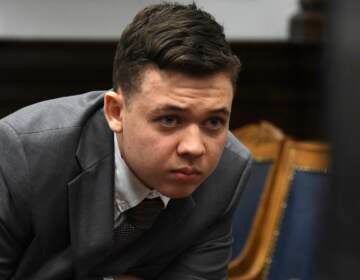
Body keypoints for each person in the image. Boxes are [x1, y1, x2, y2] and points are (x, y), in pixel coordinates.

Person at [0, 2, 251, 280]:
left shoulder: (229, 171)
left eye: (214, 122)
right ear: (116, 112)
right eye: (169, 119)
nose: (193, 147)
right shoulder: (24, 152)